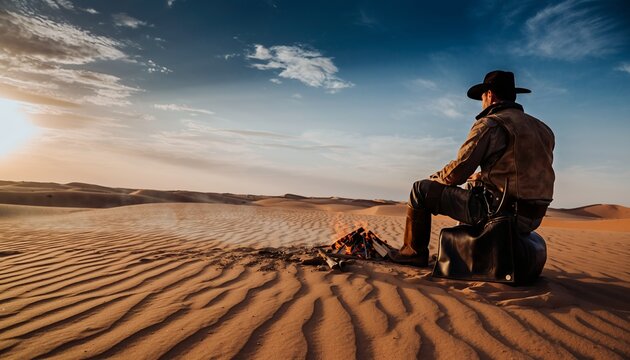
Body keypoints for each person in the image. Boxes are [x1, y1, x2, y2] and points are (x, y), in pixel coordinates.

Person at [389, 70, 555, 267]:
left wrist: (436, 177)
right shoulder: (543, 129)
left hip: (501, 213)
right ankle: (460, 253)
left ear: (490, 95)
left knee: (420, 190)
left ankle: (412, 254)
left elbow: (457, 173)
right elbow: (518, 171)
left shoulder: (490, 124)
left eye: (482, 97)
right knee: (473, 186)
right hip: (533, 216)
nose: (482, 101)